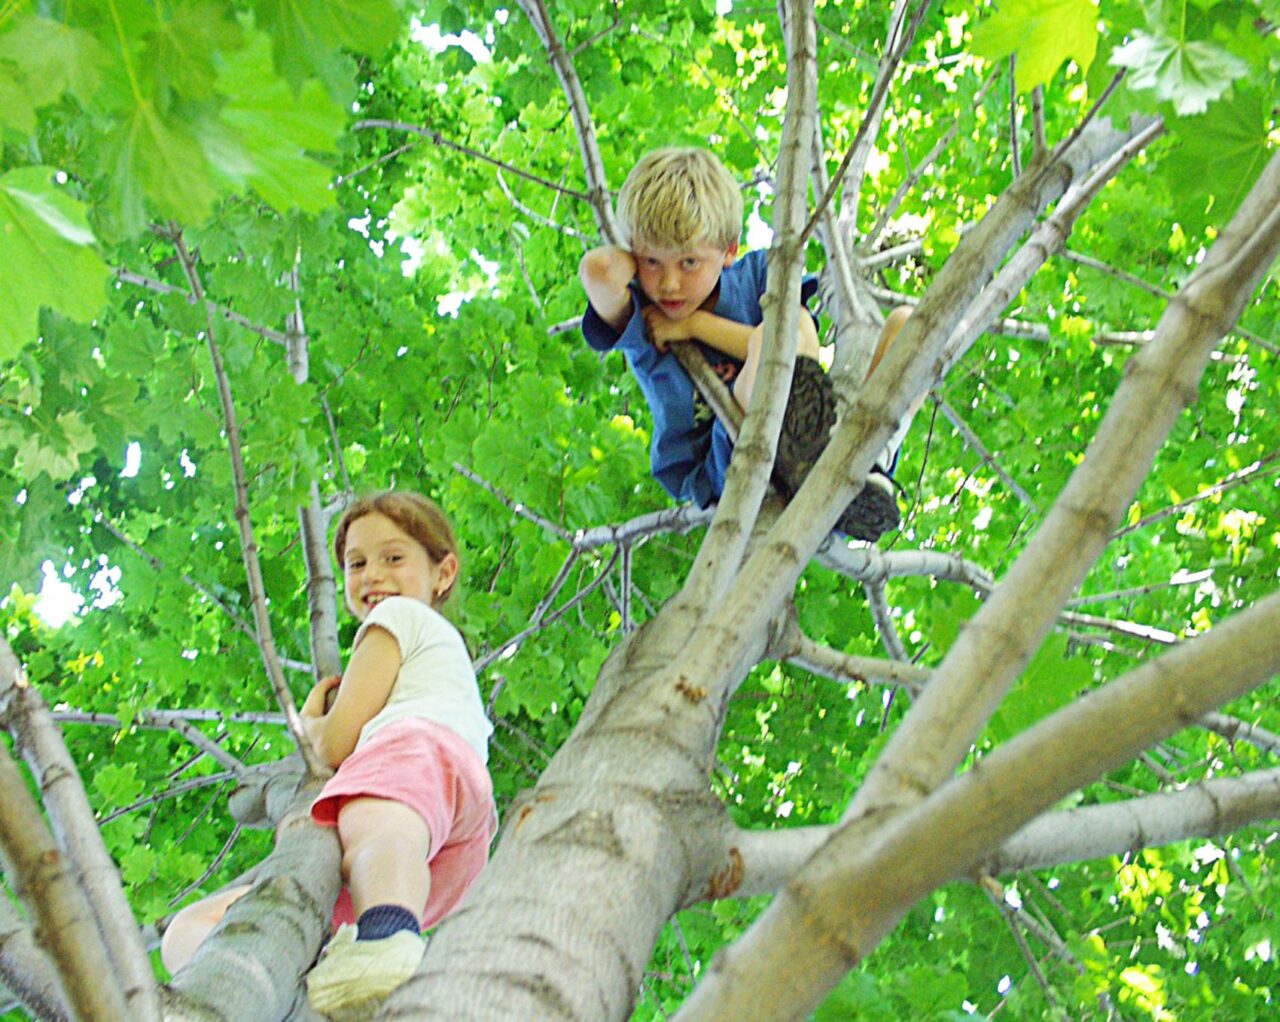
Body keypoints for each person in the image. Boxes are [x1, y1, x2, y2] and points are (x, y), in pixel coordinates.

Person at [161, 491, 496, 1020]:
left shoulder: (401, 618)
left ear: (443, 572)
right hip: (439, 839)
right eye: (356, 564)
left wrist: (313, 725)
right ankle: (311, 988)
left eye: (393, 557)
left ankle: (388, 945)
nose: (372, 576)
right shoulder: (438, 656)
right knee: (193, 927)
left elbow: (338, 741)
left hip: (415, 764)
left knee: (375, 825)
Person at [578, 146, 912, 541]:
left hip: (809, 432)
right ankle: (818, 456)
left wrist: (695, 326)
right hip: (728, 455)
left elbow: (793, 337)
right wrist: (637, 254)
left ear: (729, 251)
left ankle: (865, 461)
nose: (668, 283)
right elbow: (598, 271)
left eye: (688, 262)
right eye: (653, 262)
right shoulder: (646, 316)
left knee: (904, 325)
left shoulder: (755, 275)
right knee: (780, 333)